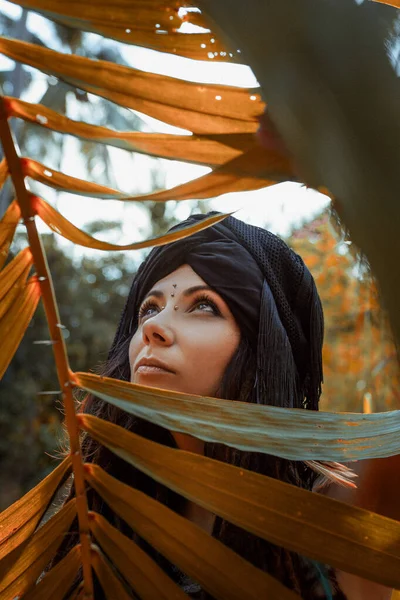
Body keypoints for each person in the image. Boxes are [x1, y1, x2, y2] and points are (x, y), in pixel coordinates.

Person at [54, 212, 391, 600]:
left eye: (204, 306)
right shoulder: (104, 513)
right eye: (149, 308)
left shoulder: (345, 502)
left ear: (264, 350)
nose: (153, 328)